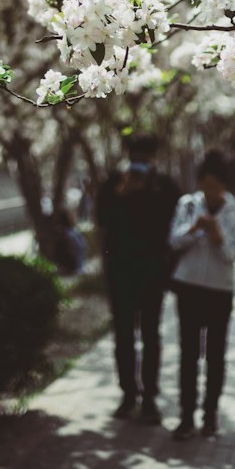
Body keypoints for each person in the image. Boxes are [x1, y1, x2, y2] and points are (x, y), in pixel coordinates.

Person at [96, 131, 179, 423]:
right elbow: (101, 220)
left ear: (153, 158)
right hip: (120, 272)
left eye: (143, 157)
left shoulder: (165, 186)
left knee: (151, 336)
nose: (138, 162)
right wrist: (120, 194)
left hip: (152, 273)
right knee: (123, 336)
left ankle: (150, 398)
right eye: (134, 157)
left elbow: (173, 225)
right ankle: (128, 393)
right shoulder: (113, 184)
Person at [168, 149, 235, 440]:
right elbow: (174, 242)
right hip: (188, 286)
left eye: (216, 186)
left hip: (219, 289)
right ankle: (186, 414)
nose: (211, 191)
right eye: (206, 184)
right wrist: (194, 230)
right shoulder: (188, 205)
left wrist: (218, 238)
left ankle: (210, 412)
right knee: (188, 353)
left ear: (225, 186)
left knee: (216, 354)